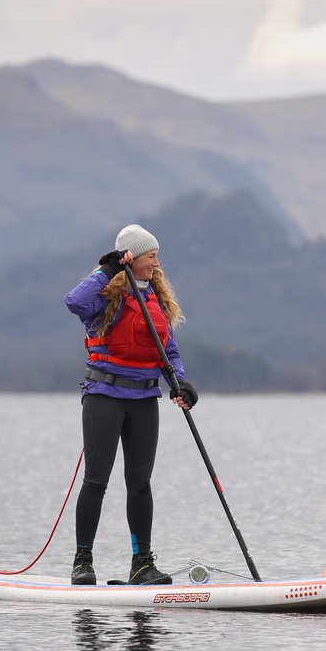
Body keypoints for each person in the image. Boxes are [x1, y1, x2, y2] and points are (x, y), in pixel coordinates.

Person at [64, 224, 198, 586]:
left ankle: (141, 563)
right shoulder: (104, 295)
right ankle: (83, 561)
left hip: (143, 401)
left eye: (156, 255)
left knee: (140, 484)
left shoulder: (156, 297)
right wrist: (106, 270)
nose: (157, 262)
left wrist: (179, 382)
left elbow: (167, 349)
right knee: (96, 481)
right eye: (151, 256)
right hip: (104, 398)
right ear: (132, 259)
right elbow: (73, 301)